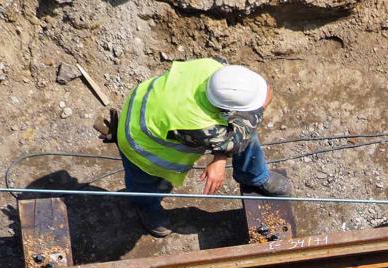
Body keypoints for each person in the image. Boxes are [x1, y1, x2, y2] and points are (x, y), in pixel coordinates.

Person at [116, 58, 291, 238]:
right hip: (139, 141)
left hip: (147, 99)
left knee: (247, 133)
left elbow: (233, 138)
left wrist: (219, 159)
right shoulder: (197, 124)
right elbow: (233, 142)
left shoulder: (214, 68)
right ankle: (146, 207)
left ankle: (254, 177)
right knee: (144, 181)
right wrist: (259, 110)